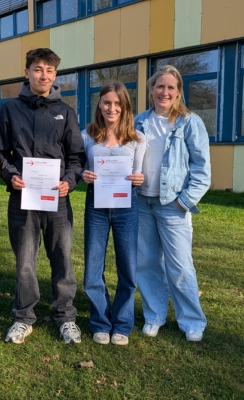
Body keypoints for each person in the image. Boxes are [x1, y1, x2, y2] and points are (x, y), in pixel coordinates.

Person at [0, 48, 86, 345]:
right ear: (27, 73)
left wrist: (69, 181)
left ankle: (66, 317)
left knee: (62, 259)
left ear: (55, 75)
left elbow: (76, 157)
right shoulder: (10, 110)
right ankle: (23, 318)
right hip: (22, 199)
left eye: (49, 70)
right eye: (37, 69)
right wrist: (11, 175)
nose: (43, 75)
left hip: (57, 200)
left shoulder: (66, 112)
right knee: (25, 262)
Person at [135, 65, 211, 342]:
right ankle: (154, 315)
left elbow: (202, 169)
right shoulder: (139, 121)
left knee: (180, 266)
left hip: (173, 205)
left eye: (170, 87)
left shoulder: (189, 122)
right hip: (142, 202)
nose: (164, 92)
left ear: (178, 92)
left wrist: (185, 201)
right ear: (151, 89)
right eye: (160, 86)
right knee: (146, 263)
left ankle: (191, 320)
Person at [81, 82, 145, 346]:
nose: (112, 108)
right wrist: (84, 175)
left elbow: (138, 174)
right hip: (96, 204)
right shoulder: (87, 135)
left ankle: (122, 324)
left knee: (127, 267)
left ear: (125, 106)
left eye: (118, 103)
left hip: (126, 206)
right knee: (93, 268)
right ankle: (100, 323)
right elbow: (81, 168)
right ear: (99, 104)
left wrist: (139, 179)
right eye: (107, 102)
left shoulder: (137, 138)